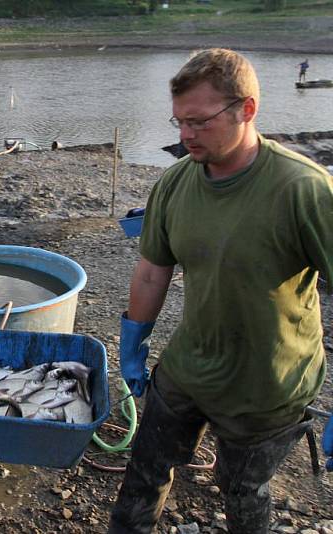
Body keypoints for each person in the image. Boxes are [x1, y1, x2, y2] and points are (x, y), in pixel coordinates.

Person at [109, 48, 333, 533]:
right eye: (178, 123)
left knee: (242, 490)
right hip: (190, 367)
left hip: (268, 385)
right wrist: (134, 340)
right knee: (144, 473)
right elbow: (152, 270)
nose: (185, 136)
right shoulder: (174, 184)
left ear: (246, 109)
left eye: (199, 122)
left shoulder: (304, 190)